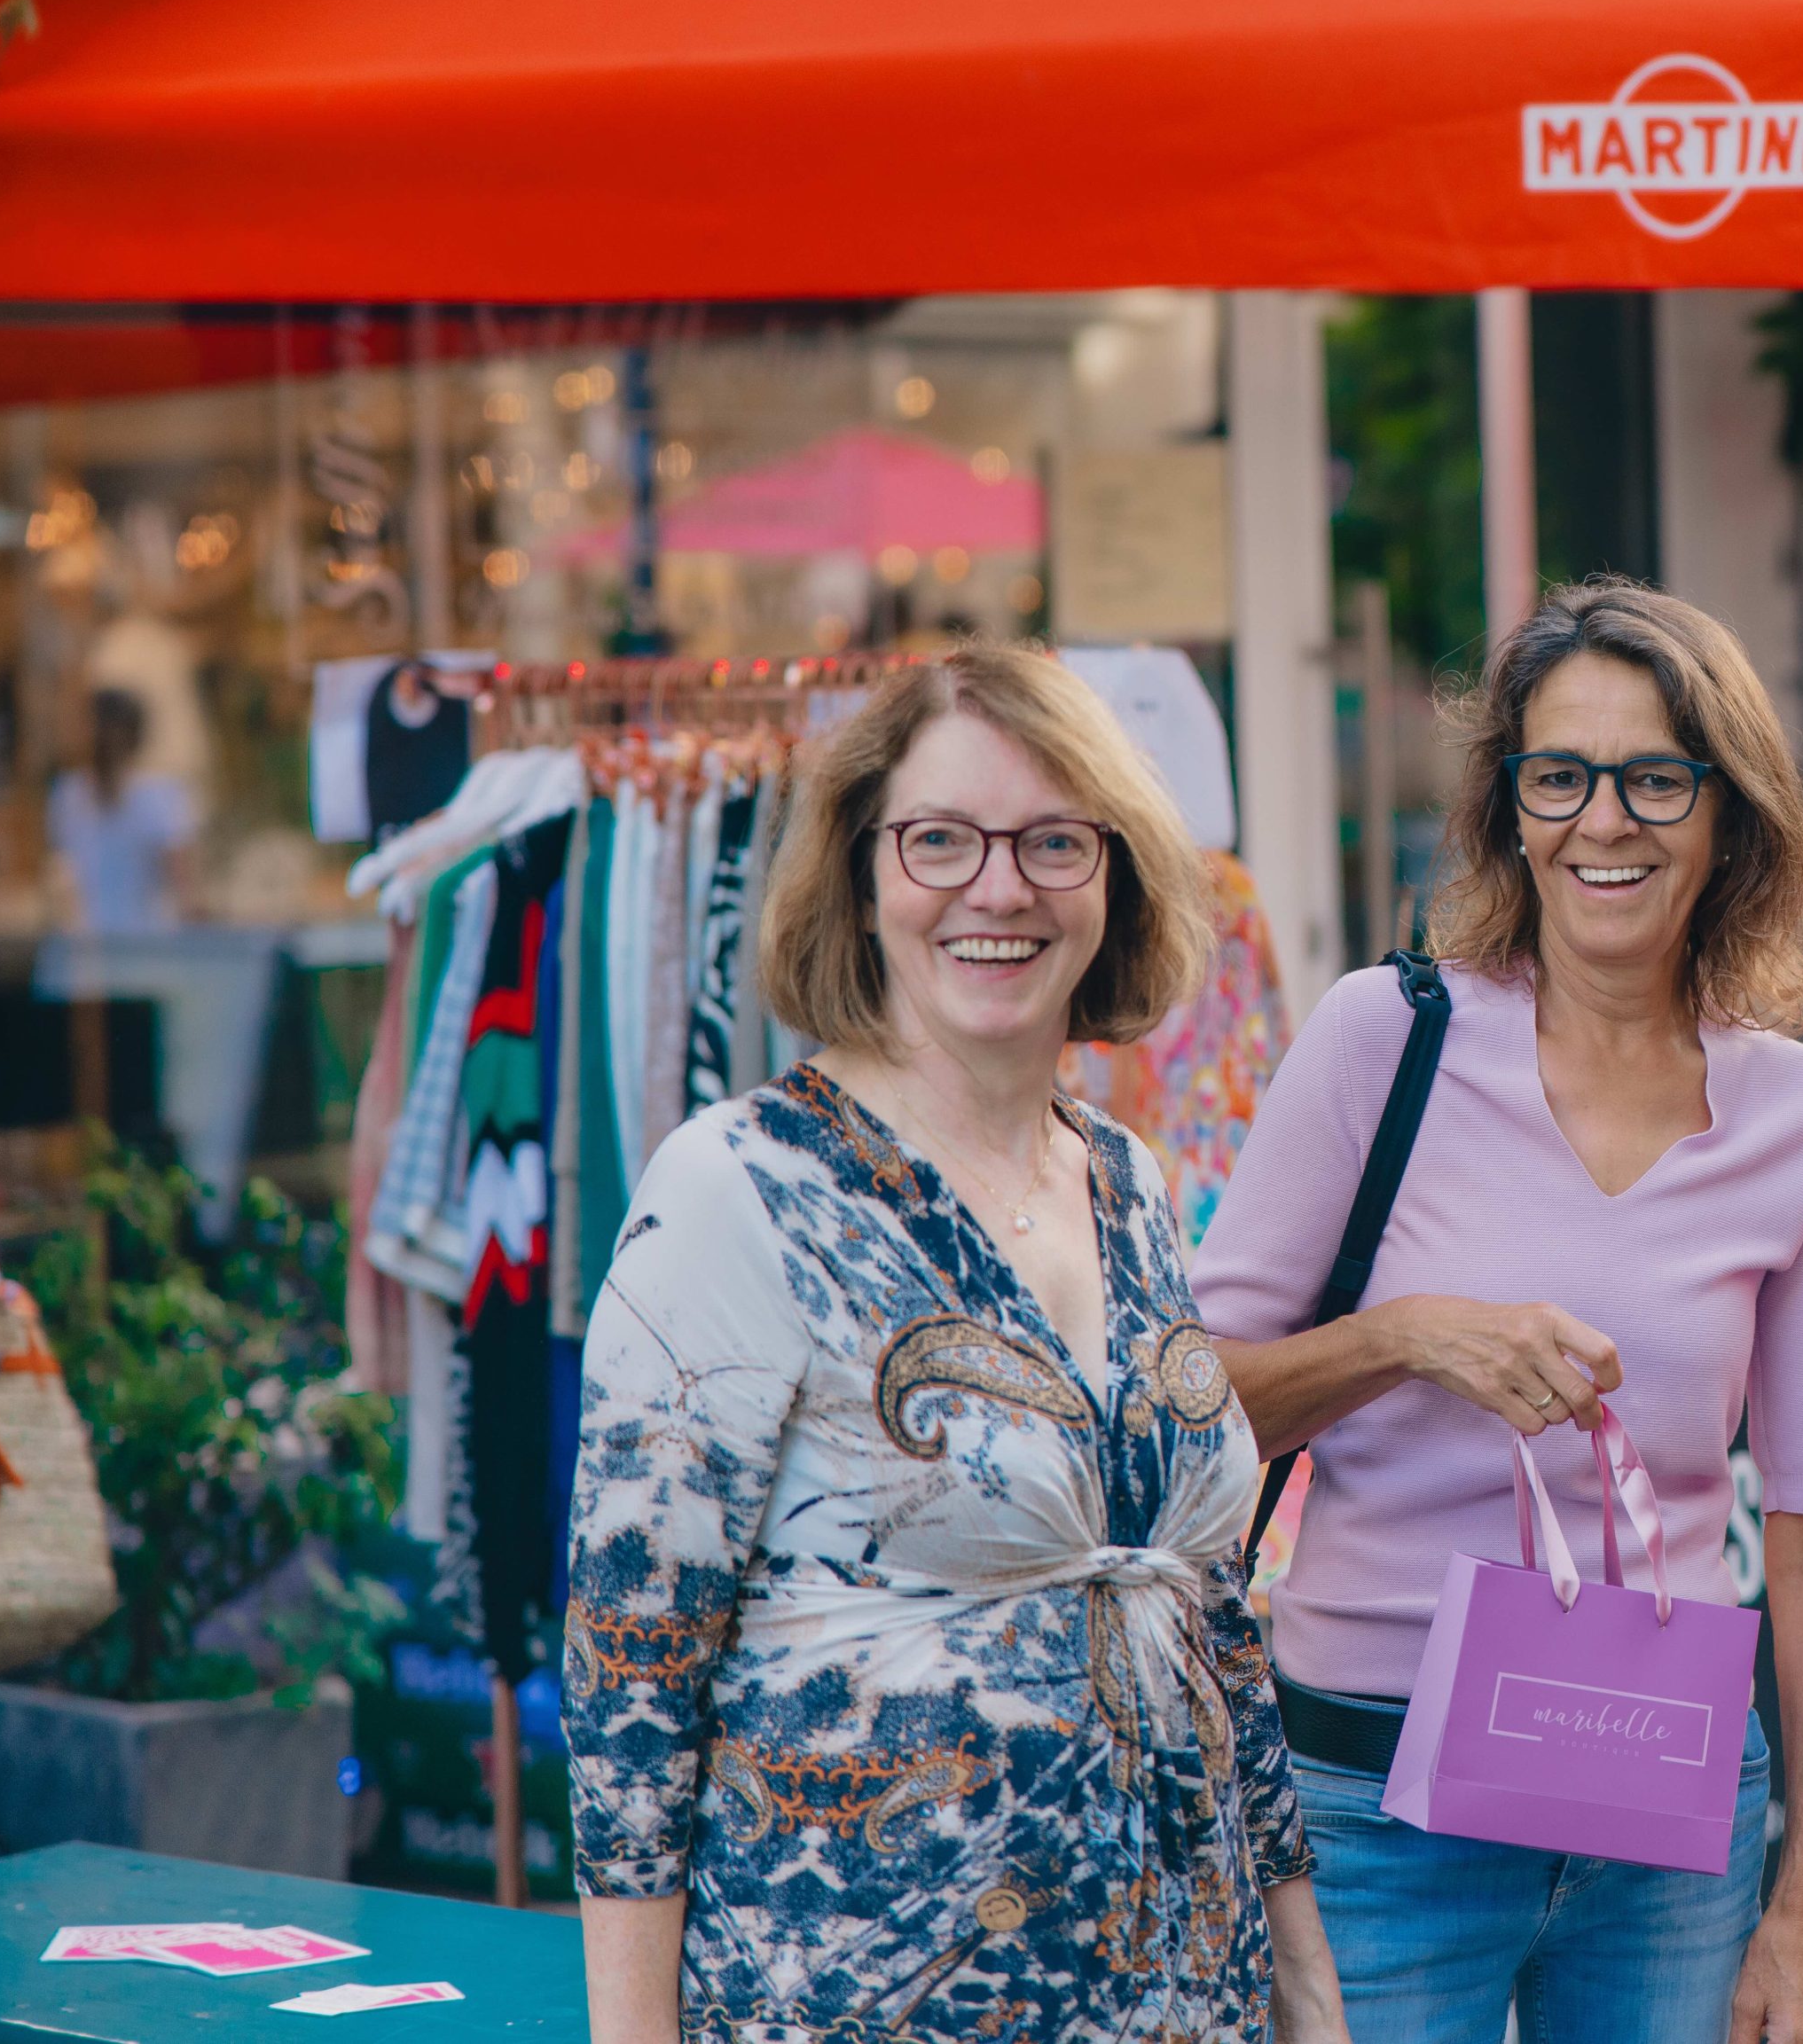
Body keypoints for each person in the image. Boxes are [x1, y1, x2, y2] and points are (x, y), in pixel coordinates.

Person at [565, 642, 1348, 2044]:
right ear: (863, 874)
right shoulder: (739, 1188)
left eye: (1054, 841)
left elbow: (1206, 1615)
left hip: (1188, 1998)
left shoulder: (1131, 1182)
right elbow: (631, 1691)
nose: (1000, 888)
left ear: (1114, 877)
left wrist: (1304, 1978)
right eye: (941, 840)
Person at [1195, 579, 1803, 2044]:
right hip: (1375, 1803)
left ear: (1728, 811)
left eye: (1655, 778)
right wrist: (1407, 1335)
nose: (1604, 821)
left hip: (1666, 1811)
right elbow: (1191, 1404)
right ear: (1509, 806)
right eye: (1559, 776)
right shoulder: (1384, 1041)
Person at [47, 685, 195, 935]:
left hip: (135, 947)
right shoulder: (69, 794)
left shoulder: (160, 795)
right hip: (94, 947)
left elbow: (182, 889)